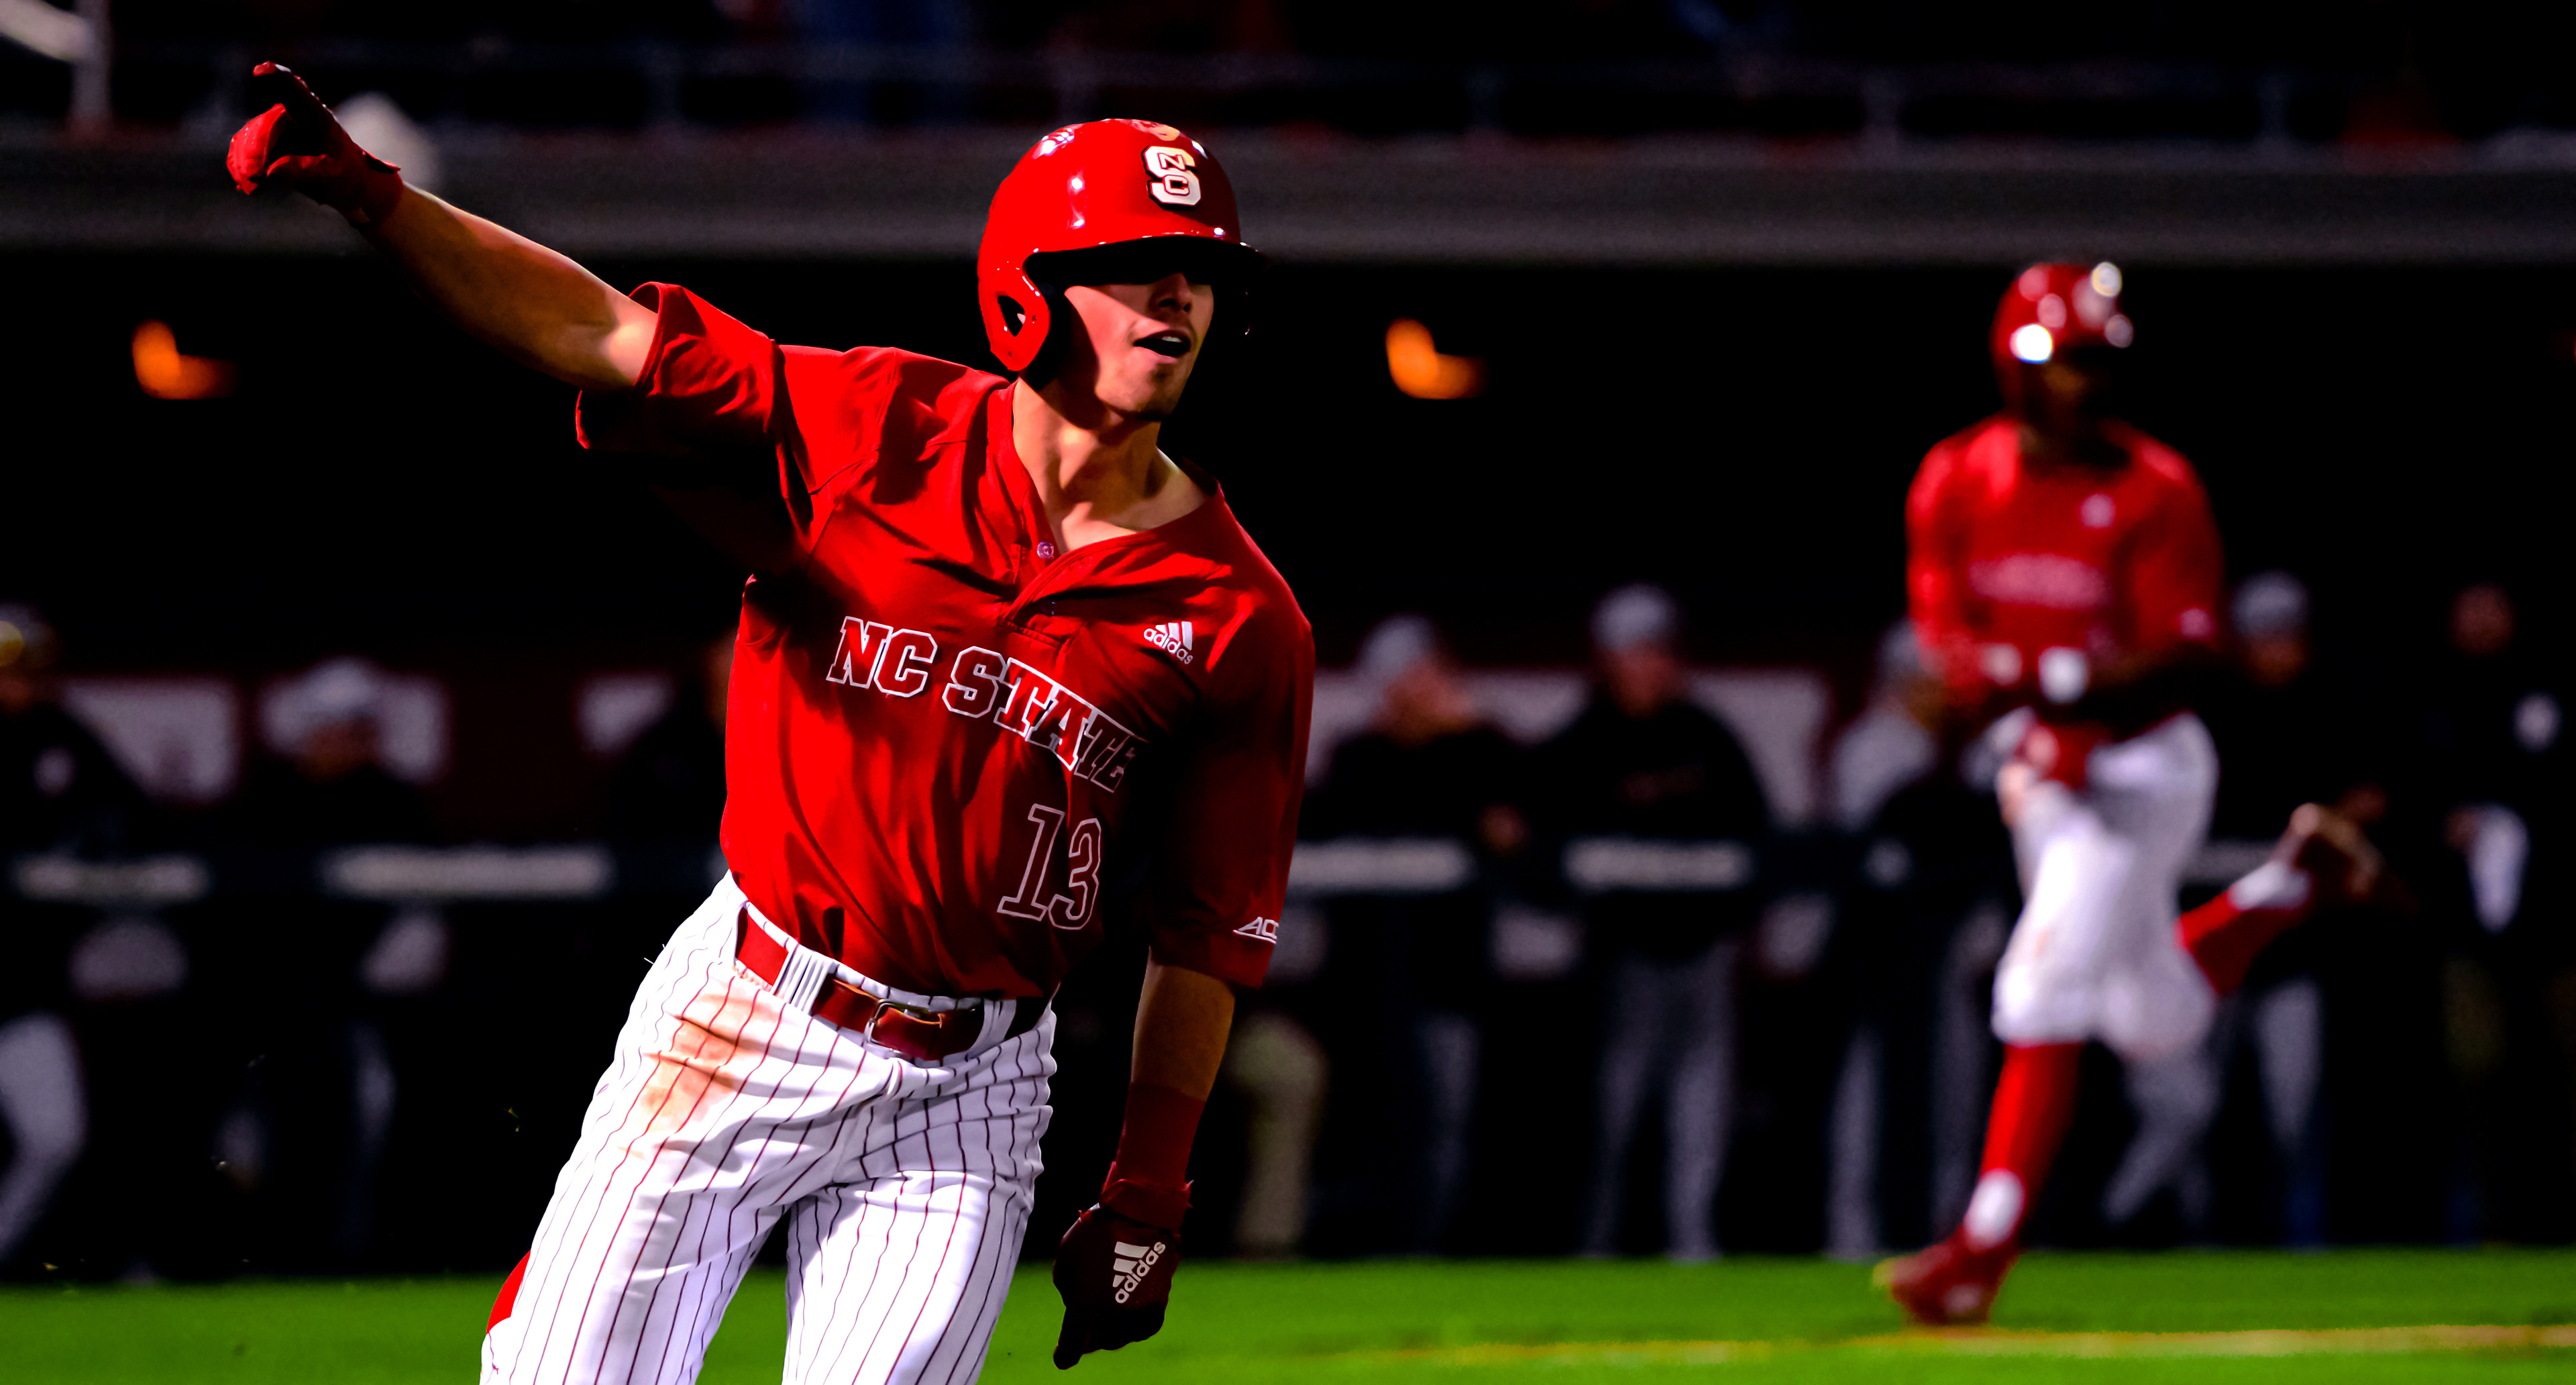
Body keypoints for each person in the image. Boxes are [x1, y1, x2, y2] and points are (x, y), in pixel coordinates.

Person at [226, 66, 1311, 1381]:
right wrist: (378, 201)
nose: (1176, 298)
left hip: (973, 1091)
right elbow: (599, 336)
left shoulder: (1244, 615)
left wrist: (1148, 1191)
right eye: (1134, 265)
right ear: (1026, 286)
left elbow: (1206, 937)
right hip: (751, 1008)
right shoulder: (877, 424)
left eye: (1196, 272)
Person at [1878, 263, 2294, 1323]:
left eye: (2097, 362)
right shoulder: (1957, 477)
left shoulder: (2158, 486)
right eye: (2062, 362)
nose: (2080, 384)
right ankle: (2287, 889)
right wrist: (1995, 704)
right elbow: (1949, 641)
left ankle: (1980, 1252)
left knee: (2037, 991)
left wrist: (2040, 688)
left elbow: (2186, 656)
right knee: (2149, 1020)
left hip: (2144, 768)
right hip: (2046, 767)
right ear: (2017, 370)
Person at [1534, 584, 1770, 1260]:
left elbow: (1757, 839)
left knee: (1701, 1111)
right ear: (1608, 659)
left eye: (1658, 651)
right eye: (1633, 653)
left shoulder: (1706, 736)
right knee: (1611, 1113)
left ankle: (1694, 1245)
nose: (1648, 666)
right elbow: (1534, 833)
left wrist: (1734, 928)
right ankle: (1595, 1245)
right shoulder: (1584, 741)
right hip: (1621, 962)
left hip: (1701, 955)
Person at [1299, 613, 1524, 1252]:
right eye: (1414, 676)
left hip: (1450, 977)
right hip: (1364, 987)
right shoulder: (1360, 758)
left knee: (1448, 1119)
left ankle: (1432, 1248)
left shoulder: (1481, 749)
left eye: (1434, 673)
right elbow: (1373, 819)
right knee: (1370, 1122)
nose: (1430, 687)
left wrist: (1466, 738)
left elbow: (1511, 823)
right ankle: (1362, 1244)